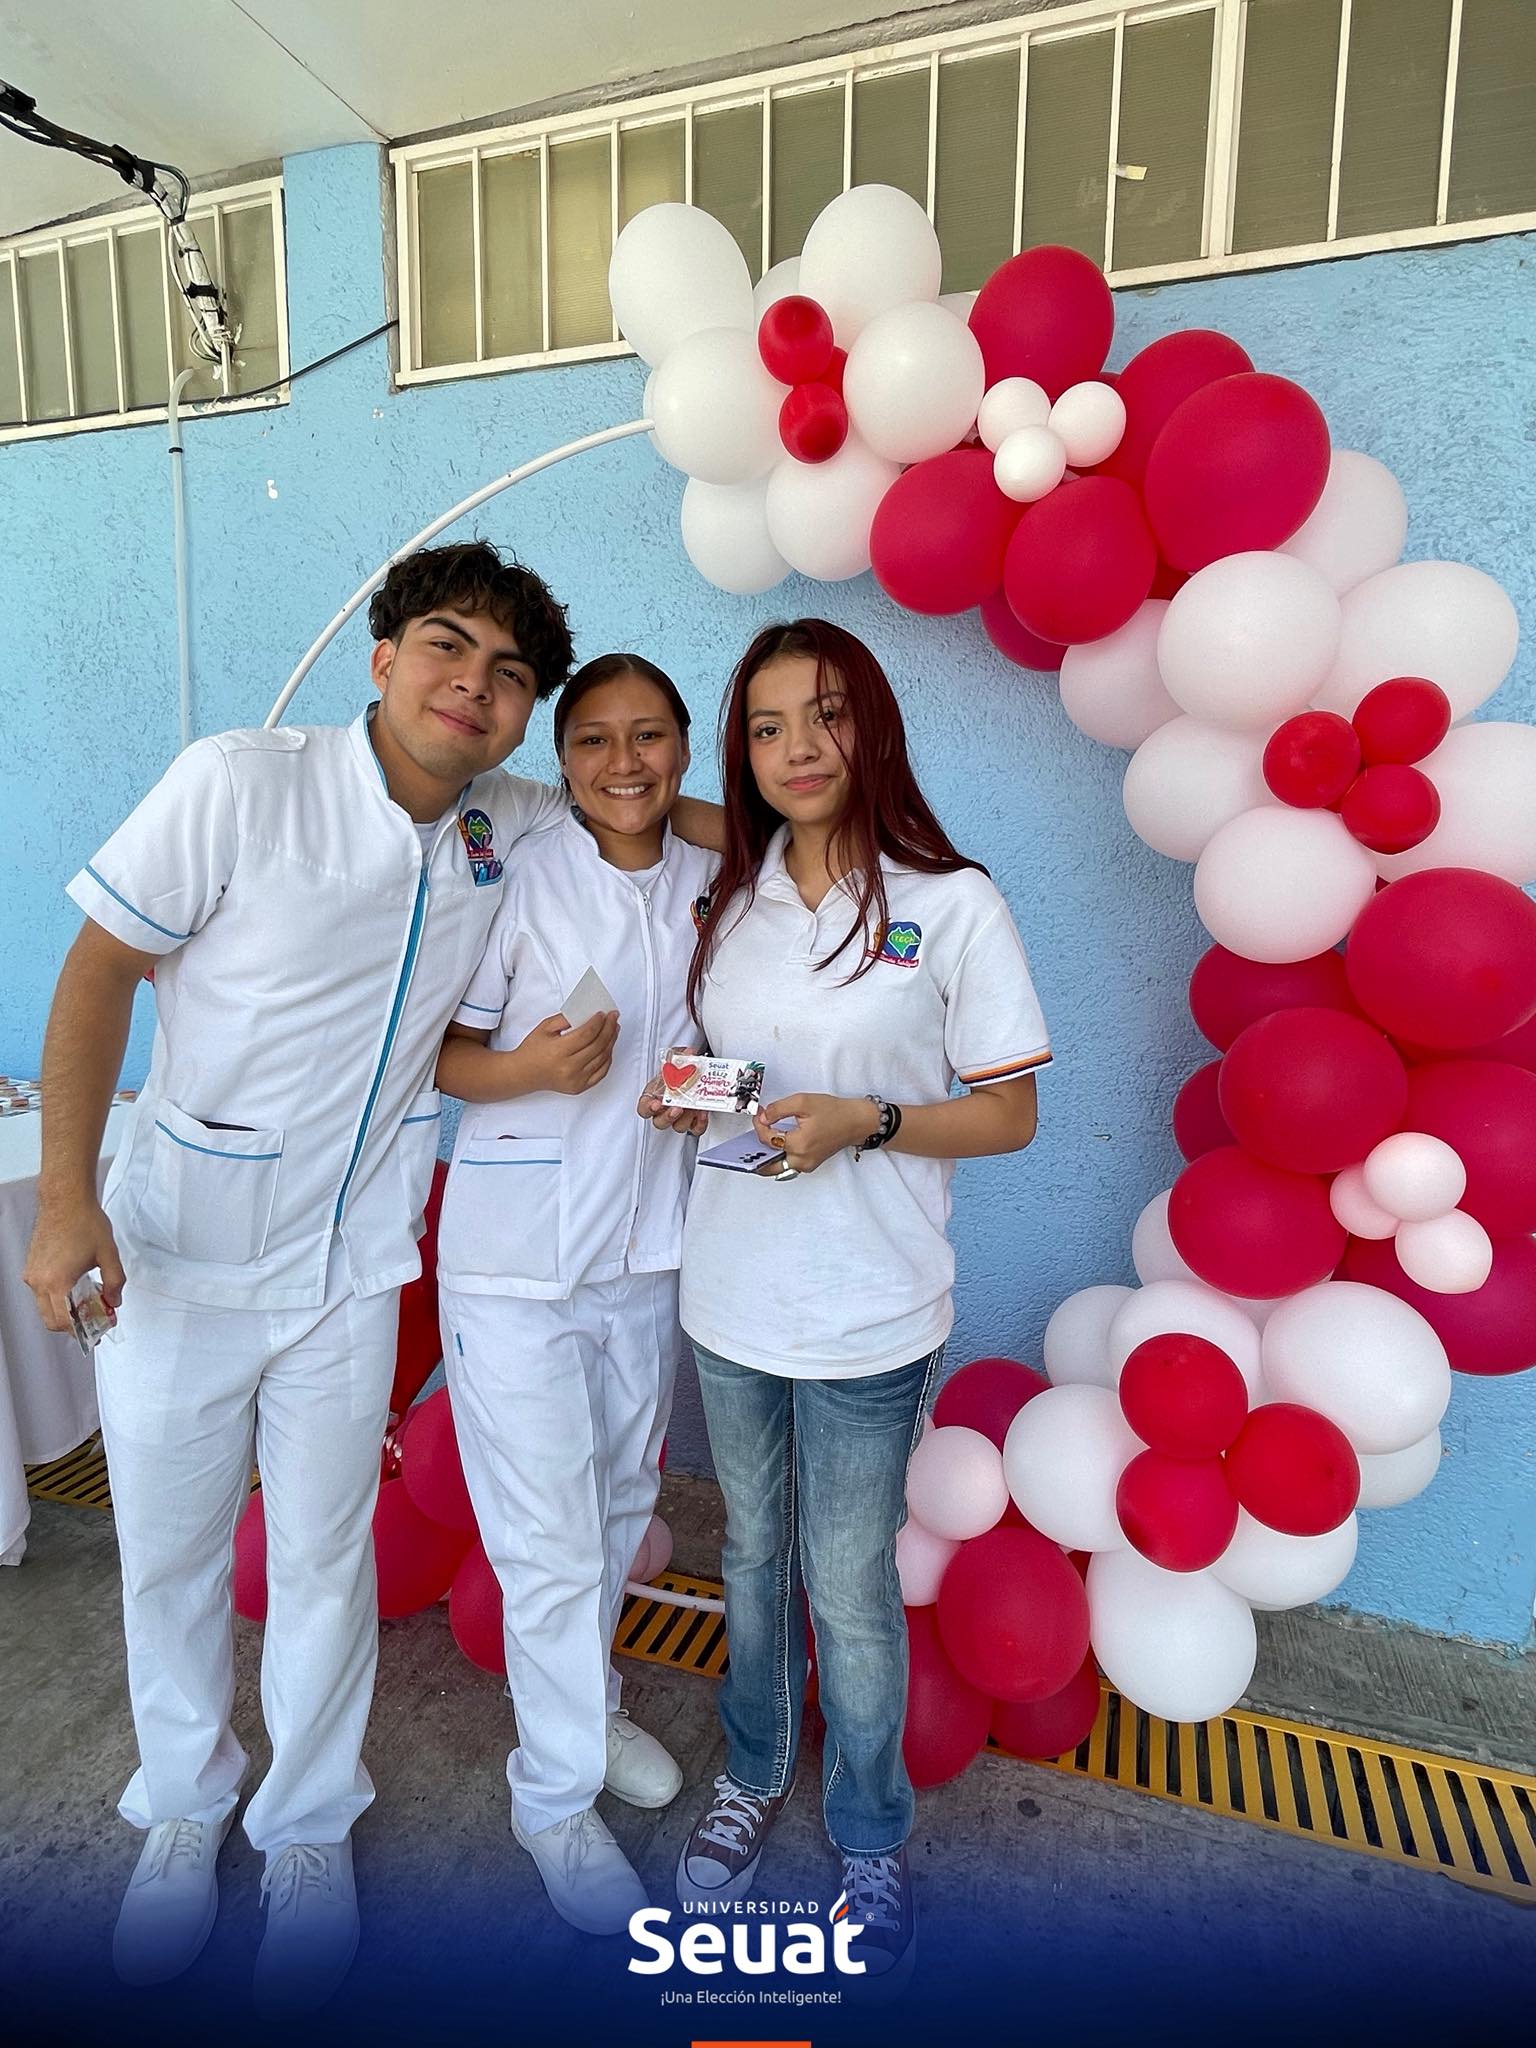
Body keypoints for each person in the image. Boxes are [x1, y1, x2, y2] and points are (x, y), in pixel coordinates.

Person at [21, 545, 719, 2014]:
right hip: (182, 1254)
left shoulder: (504, 816)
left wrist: (807, 830)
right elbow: (96, 972)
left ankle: (307, 1827)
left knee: (326, 1558)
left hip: (349, 1270)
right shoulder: (239, 782)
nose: (475, 685)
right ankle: (184, 1803)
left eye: (509, 674)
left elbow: (647, 802)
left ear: (523, 714)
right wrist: (68, 1199)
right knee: (170, 1553)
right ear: (385, 655)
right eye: (448, 647)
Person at [641, 619, 1050, 1983]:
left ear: (873, 723)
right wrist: (690, 1093)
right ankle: (754, 1769)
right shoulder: (732, 897)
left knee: (850, 1582)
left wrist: (868, 1120)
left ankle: (870, 1829)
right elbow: (736, 1076)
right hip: (733, 1298)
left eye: (825, 715)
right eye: (766, 728)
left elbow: (1009, 1115)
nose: (798, 748)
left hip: (874, 1310)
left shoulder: (954, 900)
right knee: (752, 1557)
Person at [433, 653, 713, 1936]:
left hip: (646, 1252)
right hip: (517, 1264)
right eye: (594, 738)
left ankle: (588, 1710)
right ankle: (549, 1797)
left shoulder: (717, 881)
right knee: (545, 1536)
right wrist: (533, 1068)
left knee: (616, 1506)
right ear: (561, 758)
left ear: (685, 748)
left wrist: (703, 1090)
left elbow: (734, 1057)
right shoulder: (522, 874)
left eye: (648, 735)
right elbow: (443, 1053)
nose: (623, 762)